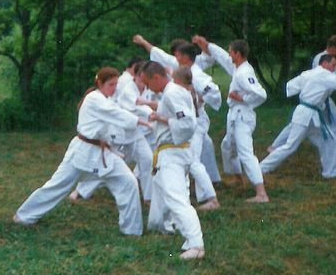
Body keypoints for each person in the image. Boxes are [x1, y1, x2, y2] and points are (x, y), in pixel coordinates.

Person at [14, 67, 143, 237]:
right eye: (111, 84)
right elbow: (115, 114)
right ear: (100, 83)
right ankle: (24, 216)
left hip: (103, 154)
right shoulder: (94, 99)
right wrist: (139, 121)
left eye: (116, 84)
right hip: (82, 151)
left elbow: (118, 118)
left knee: (128, 181)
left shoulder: (108, 100)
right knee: (58, 186)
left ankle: (132, 230)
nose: (114, 88)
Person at [136, 35, 223, 210]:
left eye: (178, 55)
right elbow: (161, 56)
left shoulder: (196, 74)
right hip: (189, 121)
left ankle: (211, 198)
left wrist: (198, 100)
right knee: (195, 156)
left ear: (185, 57)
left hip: (195, 122)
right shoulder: (180, 70)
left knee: (193, 161)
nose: (175, 57)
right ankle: (197, 190)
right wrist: (145, 43)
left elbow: (213, 92)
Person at [141, 62, 204, 260]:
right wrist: (162, 118)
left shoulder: (172, 93)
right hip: (171, 152)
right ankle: (163, 227)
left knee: (176, 198)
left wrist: (163, 120)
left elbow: (188, 123)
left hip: (173, 152)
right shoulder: (173, 92)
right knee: (168, 194)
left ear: (156, 77)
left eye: (147, 83)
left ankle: (196, 244)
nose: (148, 88)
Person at [70, 57, 153, 203]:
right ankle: (81, 190)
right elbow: (127, 108)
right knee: (107, 165)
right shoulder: (124, 84)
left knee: (147, 159)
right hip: (117, 130)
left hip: (134, 132)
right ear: (138, 74)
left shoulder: (145, 87)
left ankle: (148, 197)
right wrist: (148, 116)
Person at [197, 37, 269, 203]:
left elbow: (261, 94)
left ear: (237, 54)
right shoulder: (237, 68)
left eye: (231, 52)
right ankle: (238, 179)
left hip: (243, 115)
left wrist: (242, 98)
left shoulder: (244, 73)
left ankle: (261, 193)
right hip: (235, 115)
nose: (229, 55)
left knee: (245, 153)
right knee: (227, 146)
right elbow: (222, 57)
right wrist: (207, 45)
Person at [259, 55, 336, 178]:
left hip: (310, 115)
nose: (334, 68)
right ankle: (261, 168)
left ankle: (331, 173)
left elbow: (290, 87)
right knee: (290, 146)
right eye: (333, 65)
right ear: (324, 63)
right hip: (306, 114)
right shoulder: (325, 75)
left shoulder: (307, 74)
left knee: (330, 140)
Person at [268, 34, 336, 155]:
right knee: (302, 125)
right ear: (333, 47)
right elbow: (323, 77)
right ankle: (276, 145)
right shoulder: (321, 58)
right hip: (318, 98)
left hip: (322, 98)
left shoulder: (329, 59)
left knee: (331, 122)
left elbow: (331, 76)